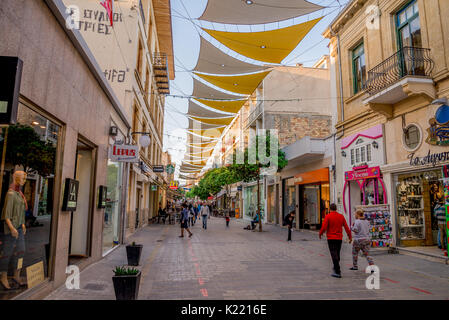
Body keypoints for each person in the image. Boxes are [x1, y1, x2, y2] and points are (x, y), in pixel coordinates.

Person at [319, 203, 352, 278]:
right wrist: (350, 236)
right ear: (336, 208)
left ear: (330, 209)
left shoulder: (328, 216)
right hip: (339, 238)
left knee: (333, 254)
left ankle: (337, 271)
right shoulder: (341, 216)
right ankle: (335, 267)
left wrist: (320, 233)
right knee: (337, 253)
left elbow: (324, 227)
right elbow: (346, 227)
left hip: (331, 238)